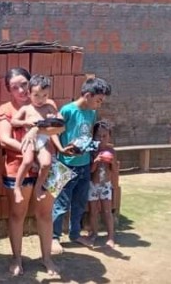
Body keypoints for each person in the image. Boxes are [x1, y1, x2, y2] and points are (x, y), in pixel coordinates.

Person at [0, 68, 60, 276]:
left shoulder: (48, 103)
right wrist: (28, 146)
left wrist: (36, 130)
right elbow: (5, 139)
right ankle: (16, 258)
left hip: (47, 164)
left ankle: (47, 258)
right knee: (17, 214)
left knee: (45, 214)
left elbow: (58, 128)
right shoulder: (5, 109)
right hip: (18, 166)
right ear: (9, 90)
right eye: (15, 87)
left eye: (24, 84)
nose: (21, 90)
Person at [50, 77, 112, 254]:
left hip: (84, 164)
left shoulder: (91, 113)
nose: (99, 104)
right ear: (87, 95)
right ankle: (53, 238)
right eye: (98, 100)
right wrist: (61, 148)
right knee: (60, 203)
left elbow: (88, 136)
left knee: (79, 203)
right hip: (65, 165)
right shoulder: (68, 110)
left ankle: (75, 234)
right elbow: (53, 130)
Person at [10, 75, 62, 203]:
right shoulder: (26, 109)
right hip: (30, 140)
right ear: (29, 93)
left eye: (45, 95)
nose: (41, 99)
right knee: (27, 161)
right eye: (37, 95)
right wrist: (25, 122)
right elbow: (13, 121)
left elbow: (60, 122)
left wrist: (52, 118)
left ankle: (39, 186)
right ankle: (17, 187)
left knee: (46, 163)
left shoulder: (49, 107)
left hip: (44, 140)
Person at [88, 120, 118, 248]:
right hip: (92, 185)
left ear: (109, 136)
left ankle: (111, 236)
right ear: (93, 136)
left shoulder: (111, 151)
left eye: (104, 136)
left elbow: (114, 170)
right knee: (93, 211)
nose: (101, 139)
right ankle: (93, 233)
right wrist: (96, 161)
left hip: (105, 184)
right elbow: (90, 170)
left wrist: (111, 163)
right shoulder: (91, 151)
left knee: (107, 211)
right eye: (98, 136)